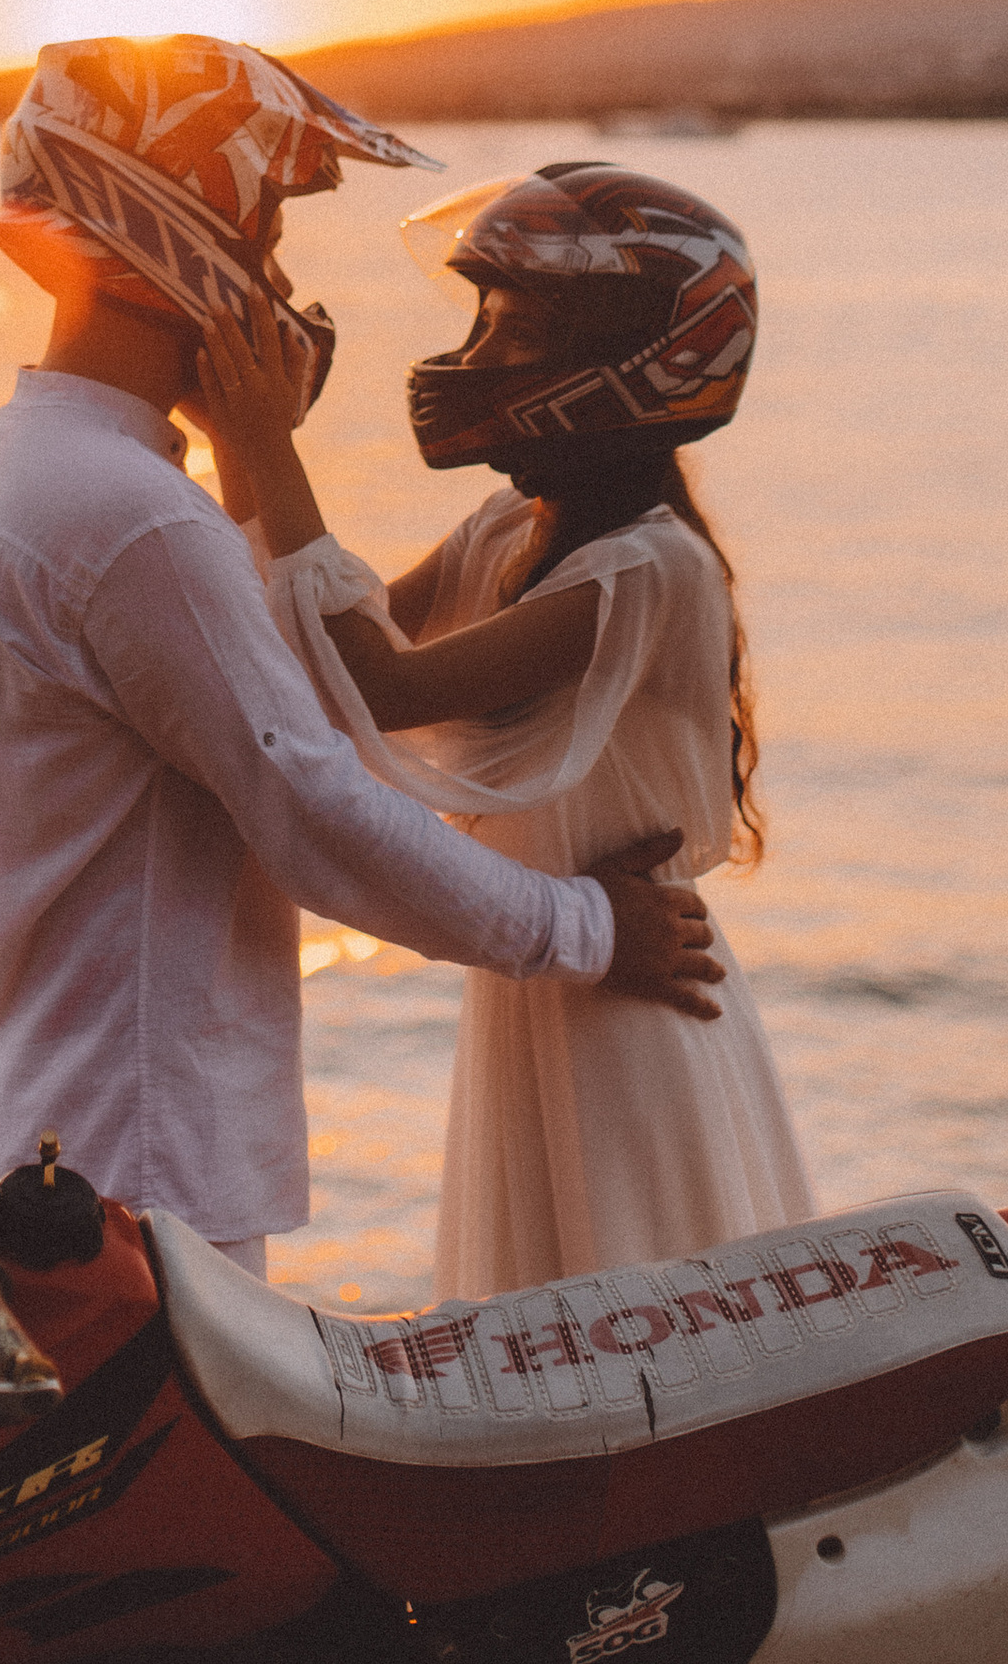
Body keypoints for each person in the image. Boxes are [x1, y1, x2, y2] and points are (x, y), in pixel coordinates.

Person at [0, 46, 725, 1277]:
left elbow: (296, 698)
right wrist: (584, 924)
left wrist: (252, 461)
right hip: (129, 1159)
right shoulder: (138, 519)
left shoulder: (8, 469)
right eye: (270, 233)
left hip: (35, 1121)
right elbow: (313, 803)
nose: (281, 281)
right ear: (188, 232)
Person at [195, 158, 815, 1298]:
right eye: (480, 318)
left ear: (634, 362)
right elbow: (327, 656)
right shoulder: (504, 525)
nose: (475, 352)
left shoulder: (650, 571)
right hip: (563, 972)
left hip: (631, 1009)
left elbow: (378, 682)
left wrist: (266, 445)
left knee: (633, 1316)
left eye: (514, 327)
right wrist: (239, 447)